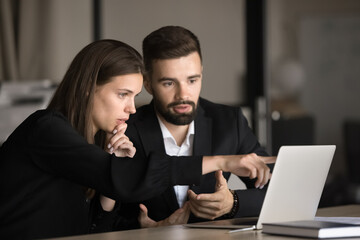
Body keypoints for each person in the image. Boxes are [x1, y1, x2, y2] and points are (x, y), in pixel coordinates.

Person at [0, 39, 273, 240]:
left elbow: (90, 229)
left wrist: (144, 228)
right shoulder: (46, 128)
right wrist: (221, 161)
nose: (131, 109)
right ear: (87, 90)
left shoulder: (94, 142)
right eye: (122, 95)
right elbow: (133, 177)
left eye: (133, 97)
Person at [98, 26, 275, 230]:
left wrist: (232, 203)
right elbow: (99, 219)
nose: (183, 94)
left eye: (192, 80)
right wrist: (139, 228)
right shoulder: (123, 128)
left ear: (201, 73)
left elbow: (275, 191)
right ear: (147, 83)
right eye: (168, 83)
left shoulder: (228, 122)